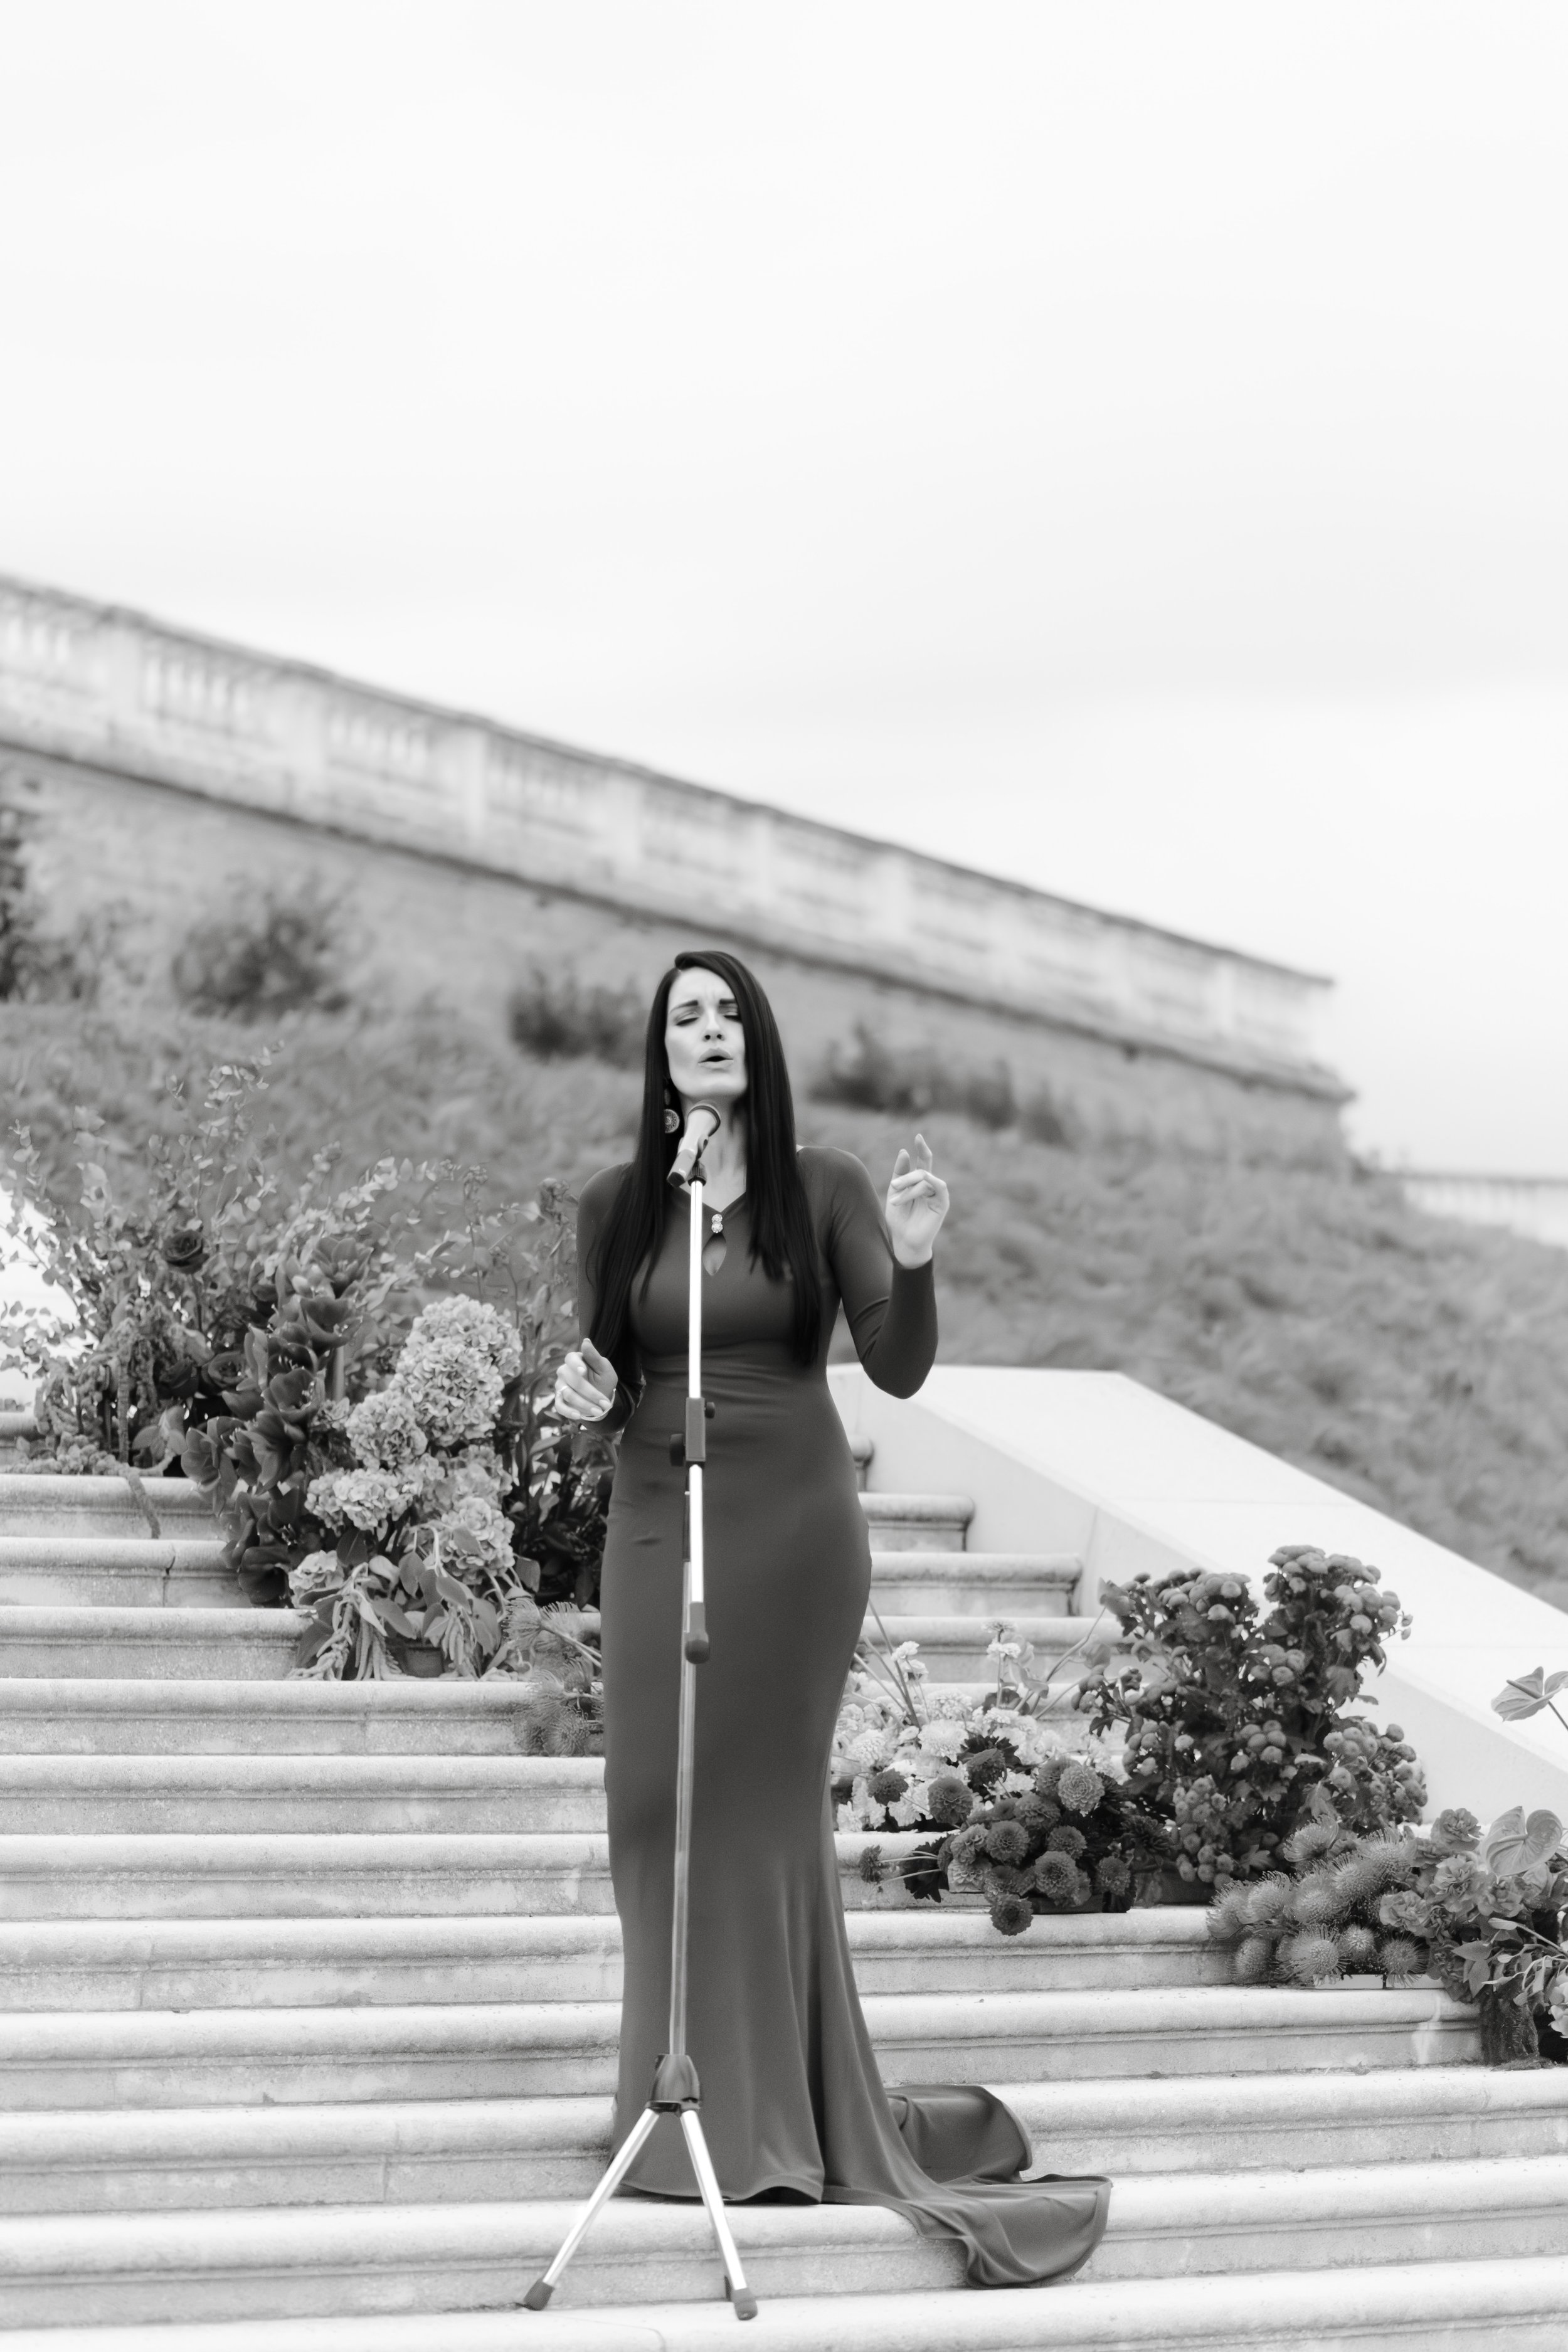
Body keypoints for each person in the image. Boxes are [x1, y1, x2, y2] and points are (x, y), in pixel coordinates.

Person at [553, 948, 1109, 2289]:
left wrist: (911, 1263)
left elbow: (898, 1367)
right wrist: (576, 1393)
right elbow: (599, 1365)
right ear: (658, 1052)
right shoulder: (619, 1203)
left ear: (758, 1040)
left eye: (727, 1012)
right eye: (683, 1017)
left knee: (746, 1808)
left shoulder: (827, 1187)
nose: (707, 1031)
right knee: (647, 1803)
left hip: (789, 1526)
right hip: (652, 1512)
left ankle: (752, 2129)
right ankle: (686, 2101)